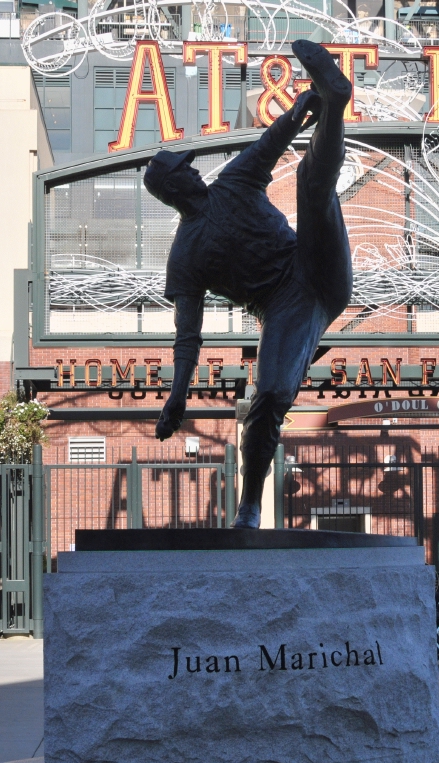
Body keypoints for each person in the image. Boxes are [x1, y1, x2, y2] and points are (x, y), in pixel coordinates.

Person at [145, 40, 354, 528]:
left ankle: (337, 103)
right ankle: (250, 506)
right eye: (186, 171)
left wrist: (310, 104)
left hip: (315, 263)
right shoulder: (186, 256)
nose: (195, 172)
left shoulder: (234, 181)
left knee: (310, 182)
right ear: (175, 187)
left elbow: (272, 141)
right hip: (287, 306)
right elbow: (187, 337)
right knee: (269, 399)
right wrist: (178, 395)